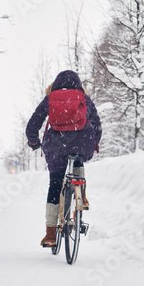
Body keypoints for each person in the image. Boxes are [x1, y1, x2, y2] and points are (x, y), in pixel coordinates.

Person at [26, 70, 102, 247]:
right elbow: (97, 124)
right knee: (79, 156)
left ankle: (51, 234)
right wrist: (94, 141)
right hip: (82, 140)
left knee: (55, 184)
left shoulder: (51, 98)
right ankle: (80, 195)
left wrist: (34, 141)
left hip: (56, 144)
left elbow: (33, 124)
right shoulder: (83, 98)